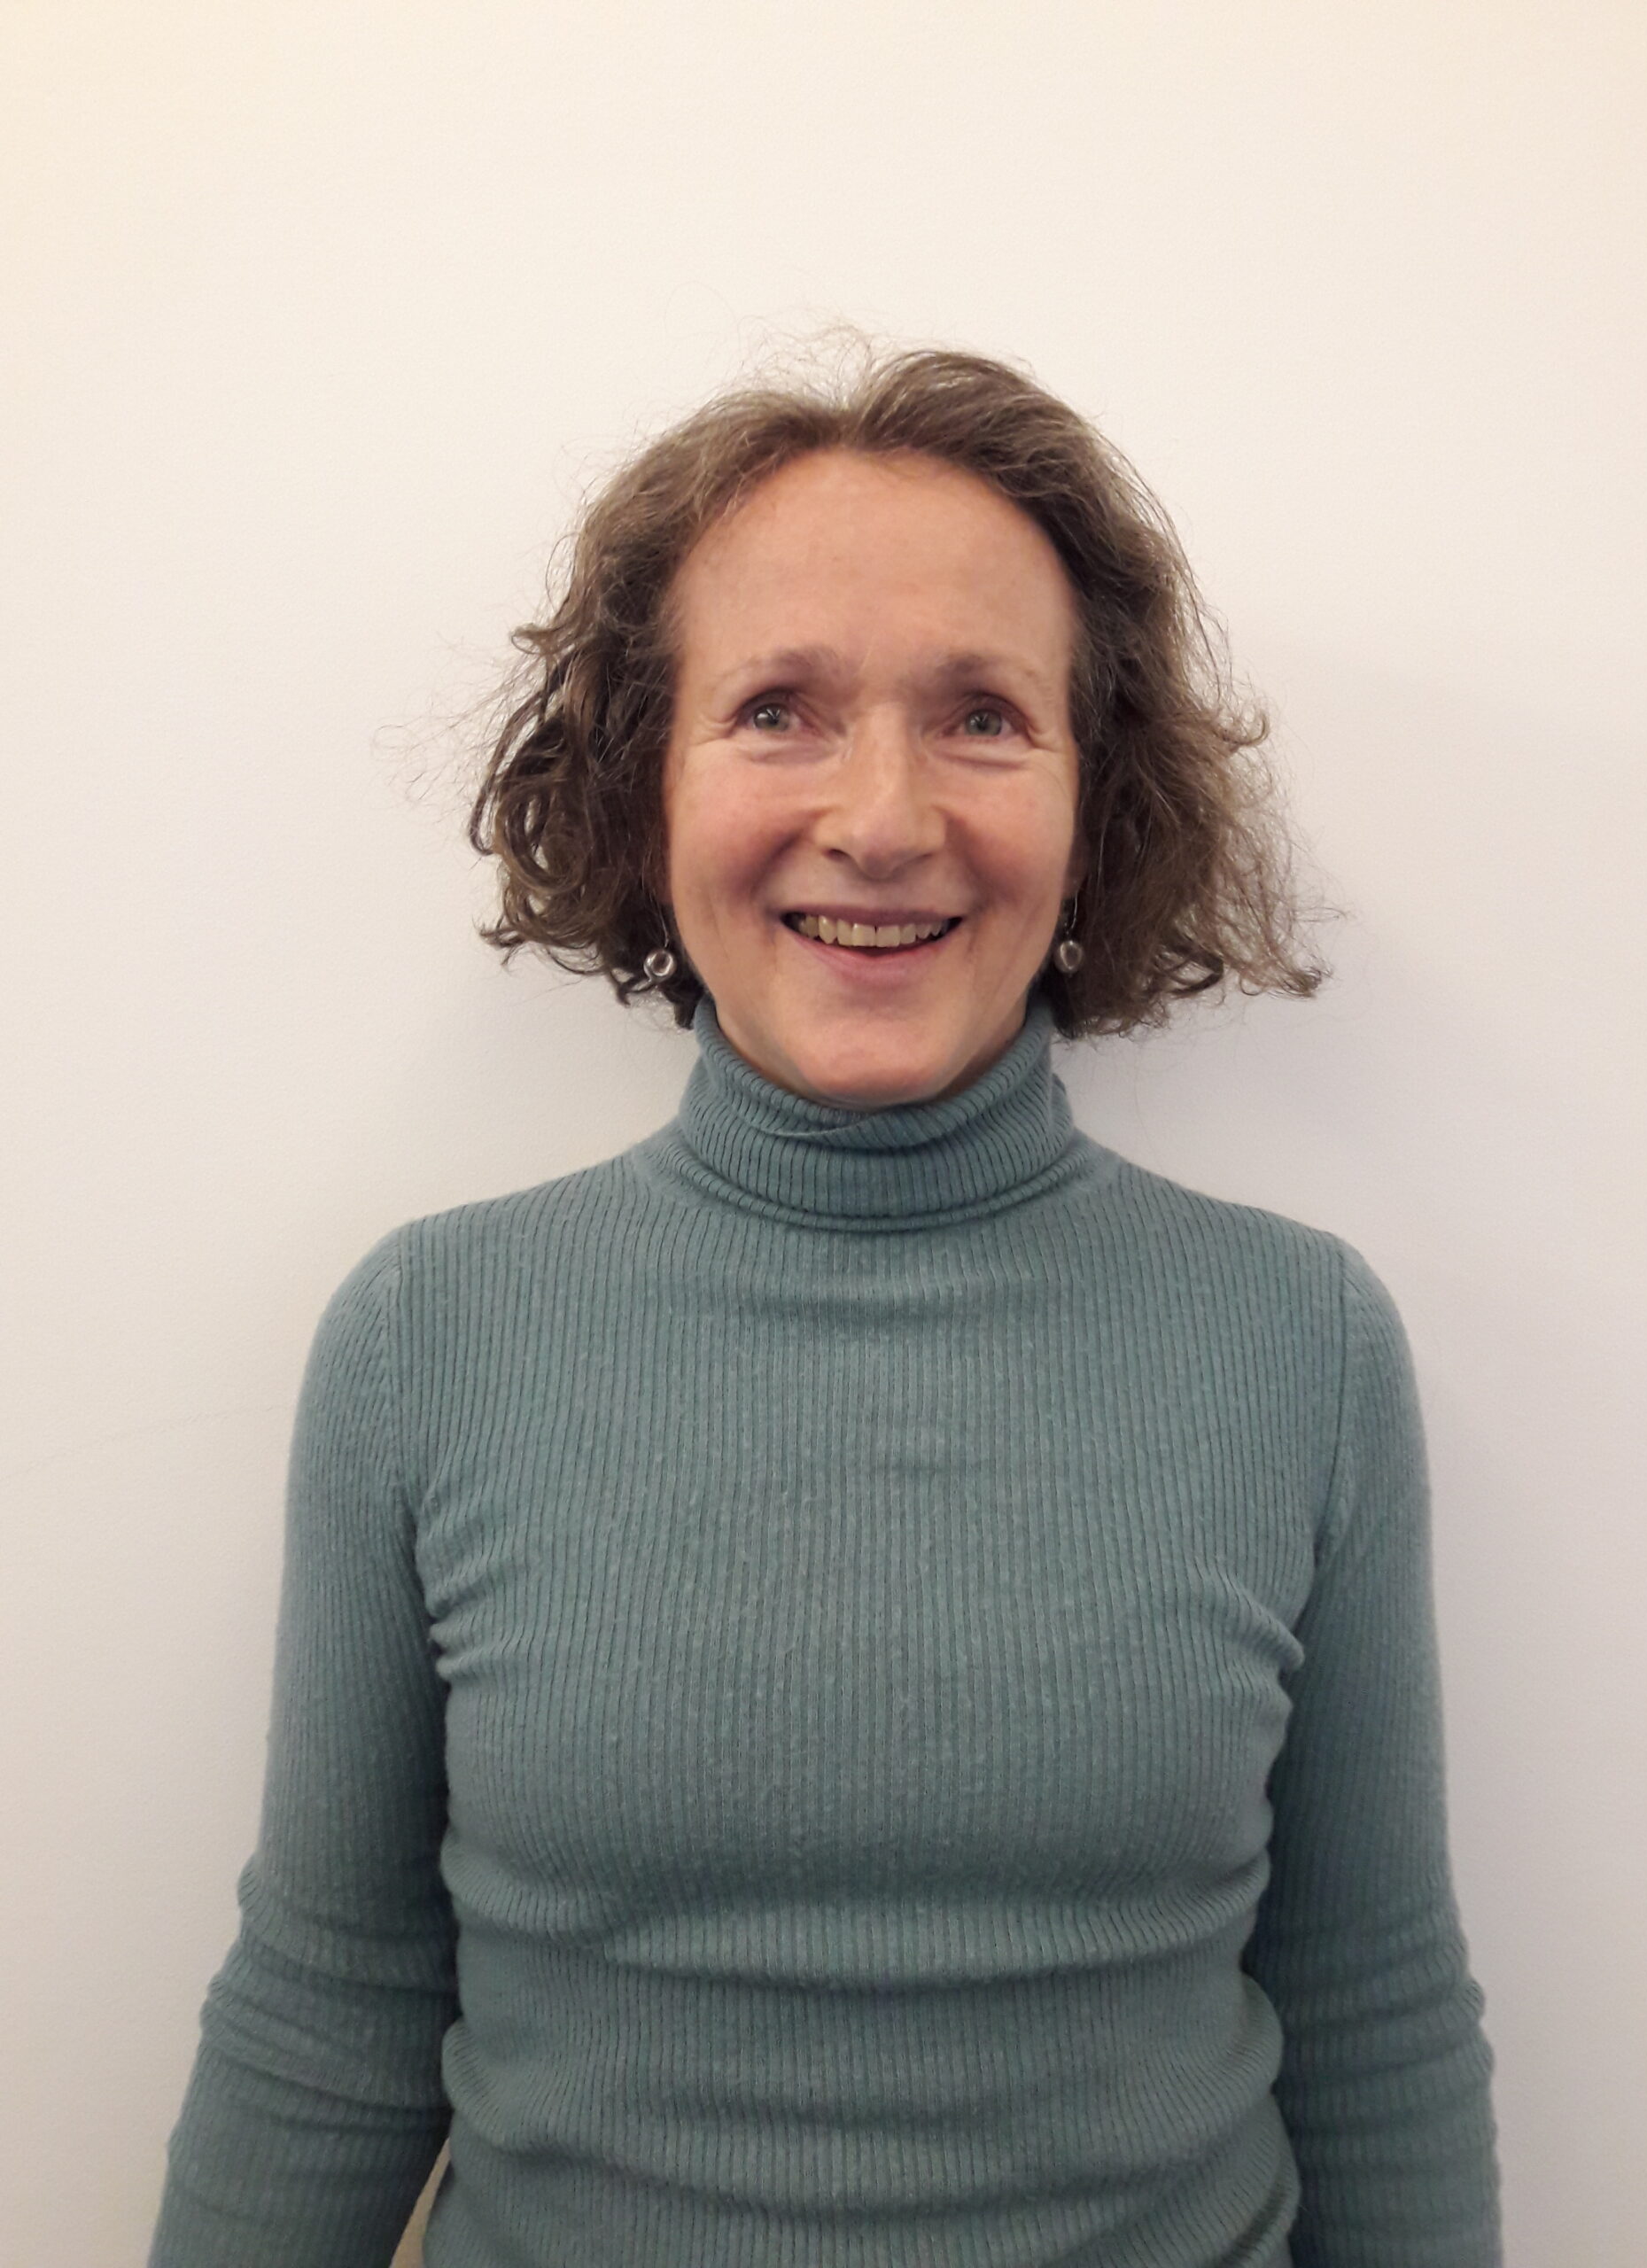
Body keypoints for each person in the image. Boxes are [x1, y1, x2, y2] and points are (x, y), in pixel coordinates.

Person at [148, 338, 1503, 2267]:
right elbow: (332, 1997)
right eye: (778, 709)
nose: (882, 817)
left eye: (982, 718)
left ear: (1092, 797)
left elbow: (1371, 2008)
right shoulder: (427, 1338)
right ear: (644, 785)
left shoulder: (1303, 1344)